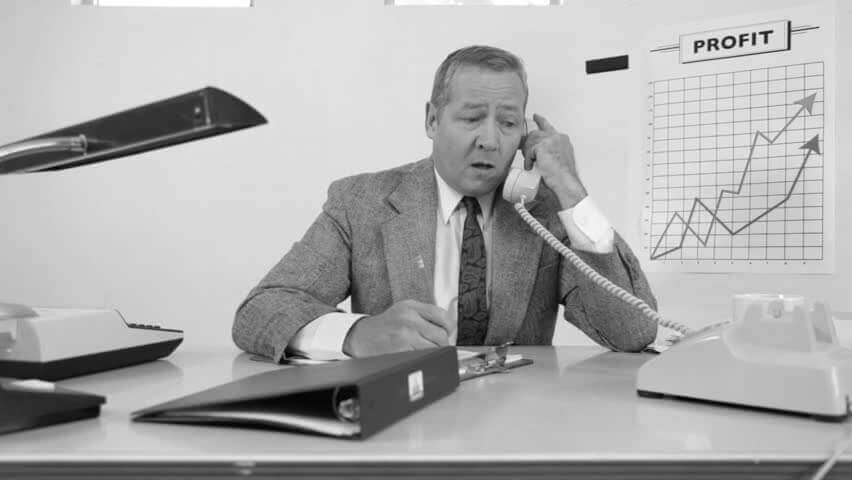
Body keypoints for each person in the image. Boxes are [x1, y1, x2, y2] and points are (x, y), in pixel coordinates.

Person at [233, 45, 658, 362]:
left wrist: (571, 188)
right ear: (432, 120)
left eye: (508, 123)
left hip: (522, 420)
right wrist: (357, 334)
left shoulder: (547, 212)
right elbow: (259, 313)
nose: (490, 140)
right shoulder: (360, 202)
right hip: (399, 419)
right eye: (471, 118)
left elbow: (631, 330)